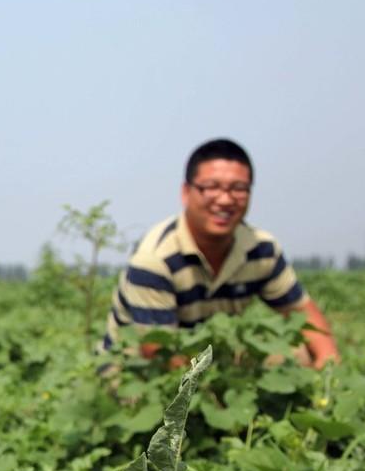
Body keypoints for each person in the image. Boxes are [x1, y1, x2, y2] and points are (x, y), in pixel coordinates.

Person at [104, 138, 339, 367]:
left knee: (299, 353)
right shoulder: (155, 259)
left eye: (238, 189)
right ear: (186, 192)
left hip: (216, 359)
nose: (225, 200)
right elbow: (158, 354)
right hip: (137, 369)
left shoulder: (261, 249)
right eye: (211, 187)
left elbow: (302, 315)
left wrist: (328, 369)